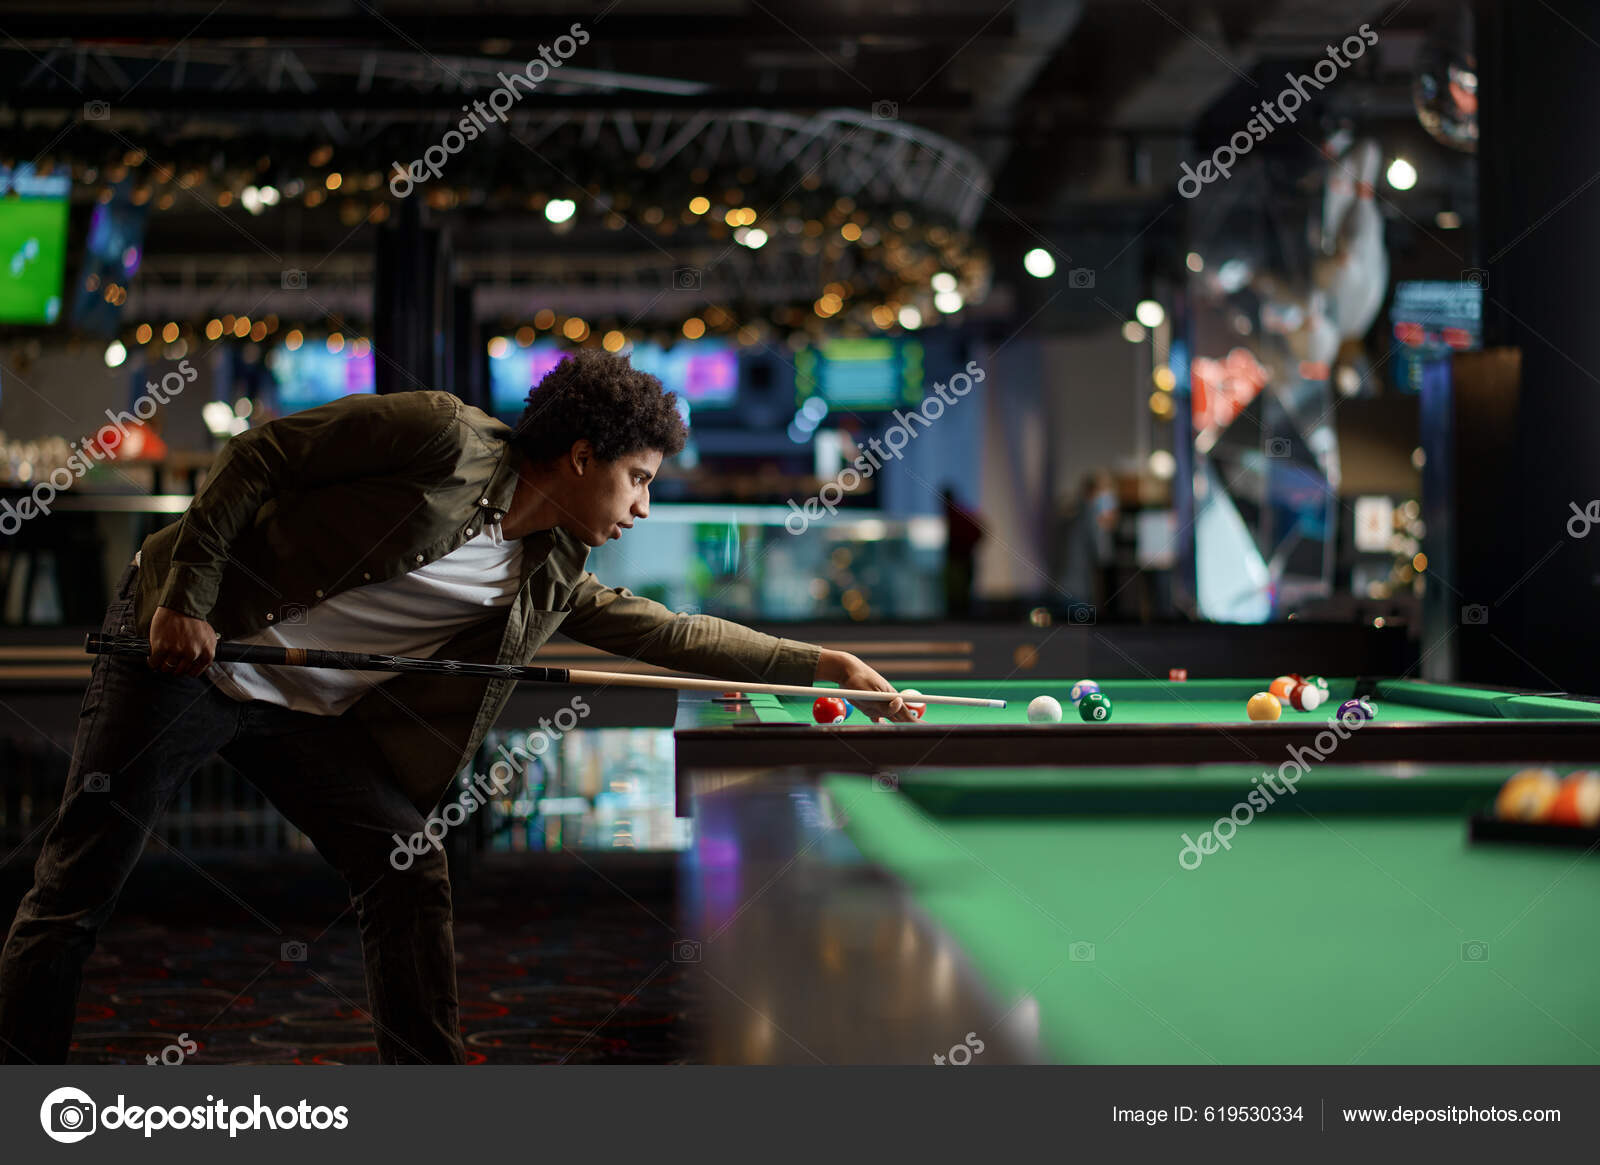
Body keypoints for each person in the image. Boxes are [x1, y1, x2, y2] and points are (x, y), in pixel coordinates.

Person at [0, 349, 916, 1065]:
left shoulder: (550, 571)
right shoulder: (442, 437)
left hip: (295, 710)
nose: (642, 505)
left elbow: (667, 633)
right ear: (583, 454)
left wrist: (818, 664)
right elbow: (261, 455)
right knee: (78, 886)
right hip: (184, 651)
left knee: (407, 868)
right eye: (639, 478)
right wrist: (187, 601)